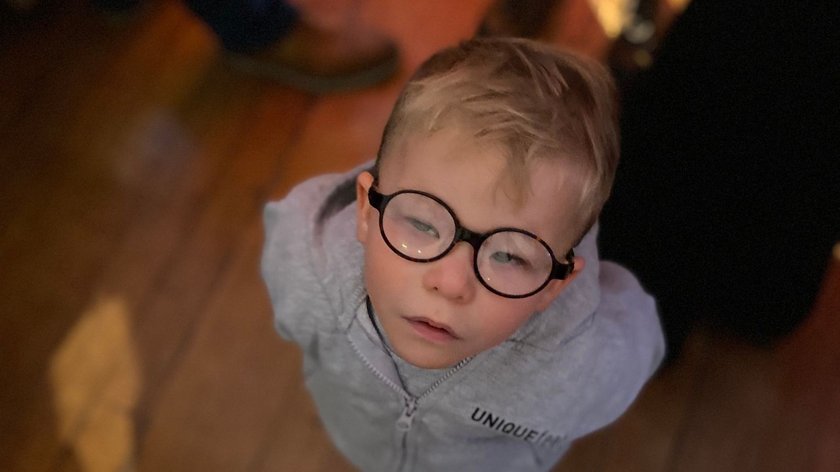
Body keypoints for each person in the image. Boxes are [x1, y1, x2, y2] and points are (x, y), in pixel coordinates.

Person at [261, 37, 664, 471]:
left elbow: (641, 332)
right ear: (365, 211)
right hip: (361, 447)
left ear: (556, 284)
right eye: (421, 224)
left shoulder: (580, 365)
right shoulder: (309, 265)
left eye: (509, 256)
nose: (451, 283)